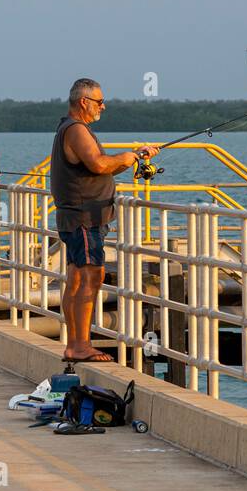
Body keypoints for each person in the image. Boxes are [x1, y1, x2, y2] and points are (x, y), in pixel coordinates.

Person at [51, 78, 157, 362]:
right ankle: (80, 346)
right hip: (84, 217)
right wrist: (126, 156)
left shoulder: (71, 129)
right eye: (99, 101)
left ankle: (74, 344)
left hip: (77, 217)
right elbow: (98, 163)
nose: (103, 106)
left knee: (75, 279)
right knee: (90, 277)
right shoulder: (76, 130)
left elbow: (99, 169)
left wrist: (134, 158)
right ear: (84, 102)